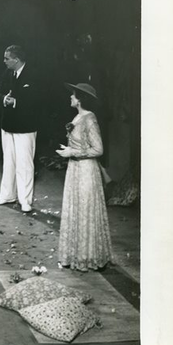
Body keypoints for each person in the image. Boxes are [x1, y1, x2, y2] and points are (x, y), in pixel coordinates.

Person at [56, 82, 114, 271]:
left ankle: (88, 257)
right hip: (75, 170)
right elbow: (81, 143)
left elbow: (98, 149)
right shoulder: (78, 116)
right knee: (76, 209)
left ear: (81, 99)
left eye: (73, 95)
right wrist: (69, 150)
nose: (70, 97)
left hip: (87, 170)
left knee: (85, 210)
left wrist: (73, 152)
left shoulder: (90, 119)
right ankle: (75, 255)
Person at [0, 45, 39, 212]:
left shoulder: (33, 74)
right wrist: (5, 98)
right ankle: (7, 195)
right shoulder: (7, 73)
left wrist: (16, 102)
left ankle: (25, 200)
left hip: (25, 126)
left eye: (7, 58)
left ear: (16, 59)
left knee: (24, 163)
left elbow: (38, 100)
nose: (4, 61)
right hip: (8, 125)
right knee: (8, 161)